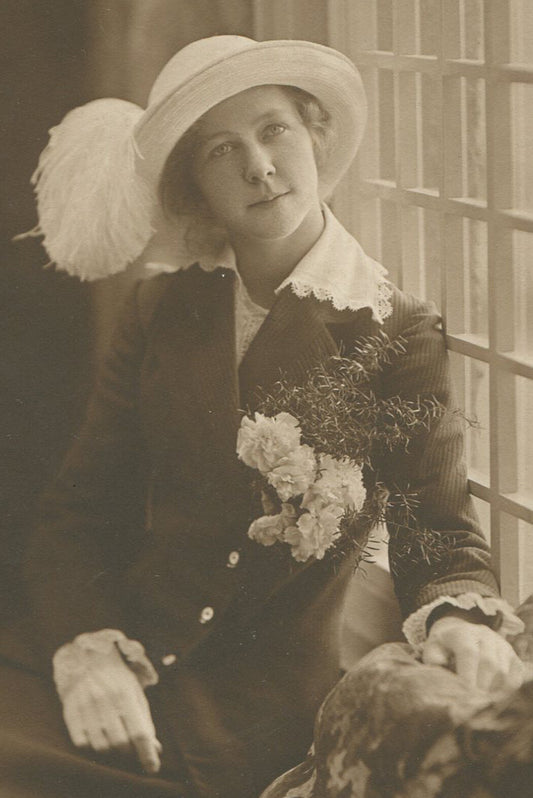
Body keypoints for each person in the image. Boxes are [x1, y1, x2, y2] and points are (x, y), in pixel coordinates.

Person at [2, 35, 525, 798]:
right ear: (196, 189)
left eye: (274, 128)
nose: (258, 165)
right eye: (221, 150)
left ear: (315, 134)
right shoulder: (162, 309)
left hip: (264, 701)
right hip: (135, 651)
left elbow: (435, 525)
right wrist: (88, 652)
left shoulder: (392, 327)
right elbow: (79, 512)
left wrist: (456, 620)